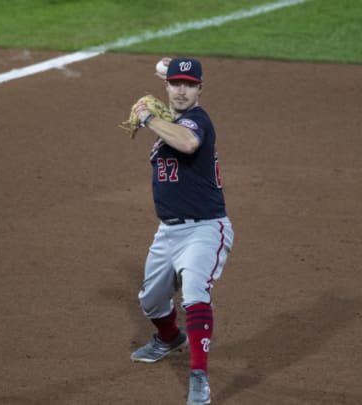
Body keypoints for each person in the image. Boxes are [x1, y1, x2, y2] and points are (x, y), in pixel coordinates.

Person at [128, 57, 234, 405]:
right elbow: (176, 119)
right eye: (175, 84)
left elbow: (188, 144)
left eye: (189, 84)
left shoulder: (198, 122)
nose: (181, 90)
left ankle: (199, 376)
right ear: (167, 86)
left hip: (205, 228)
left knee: (193, 293)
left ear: (201, 88)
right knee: (151, 300)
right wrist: (163, 107)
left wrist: (148, 117)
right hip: (168, 233)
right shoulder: (173, 120)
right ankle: (169, 338)